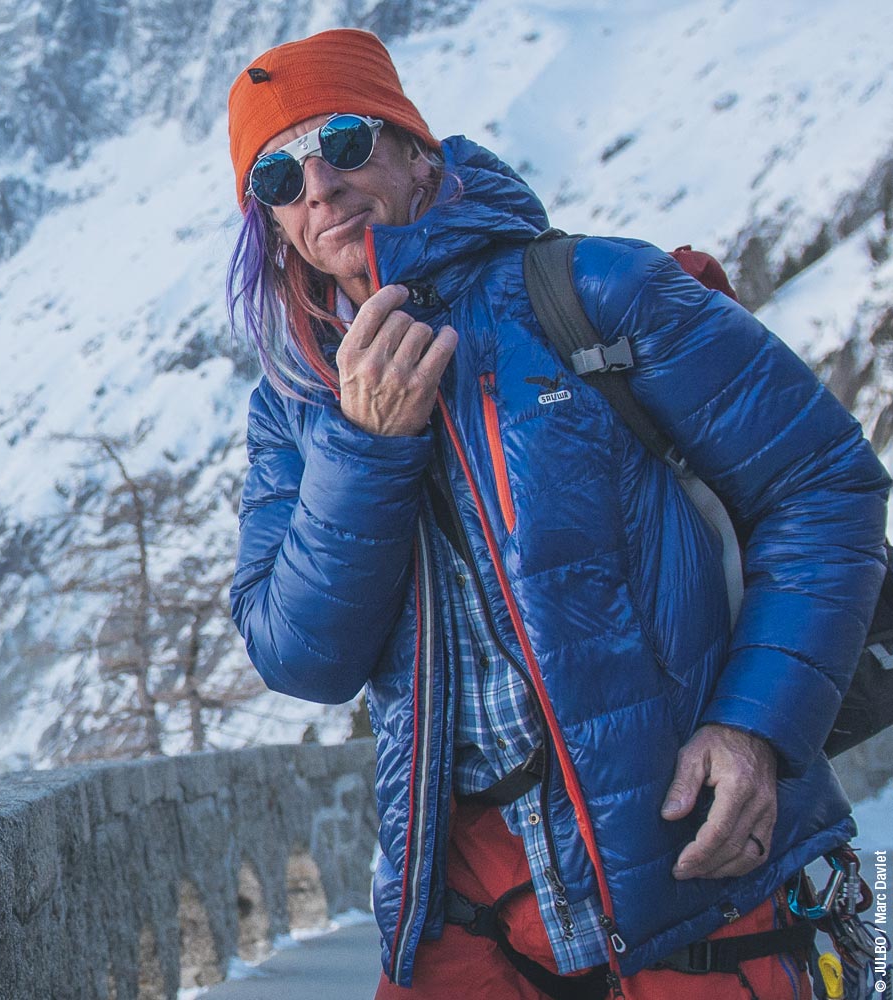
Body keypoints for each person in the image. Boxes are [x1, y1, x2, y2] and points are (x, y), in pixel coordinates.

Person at [225, 27, 890, 1000]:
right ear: (272, 221)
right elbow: (301, 656)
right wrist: (367, 448)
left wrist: (756, 727)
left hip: (697, 875)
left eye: (346, 142)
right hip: (470, 916)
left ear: (417, 151)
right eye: (279, 177)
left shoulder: (593, 293)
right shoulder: (293, 408)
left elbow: (822, 483)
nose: (318, 186)